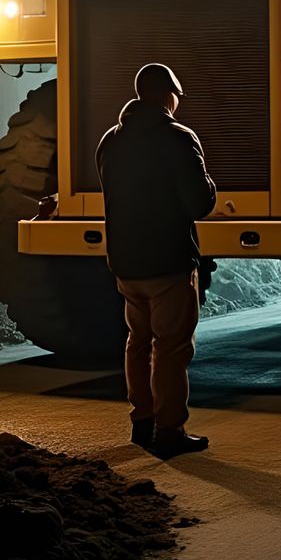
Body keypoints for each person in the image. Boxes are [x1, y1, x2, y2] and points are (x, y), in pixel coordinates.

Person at [95, 62, 216, 459]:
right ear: (168, 96)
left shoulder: (109, 141)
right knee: (170, 348)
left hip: (127, 264)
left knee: (137, 342)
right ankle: (170, 431)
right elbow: (199, 201)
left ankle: (142, 423)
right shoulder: (179, 138)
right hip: (169, 261)